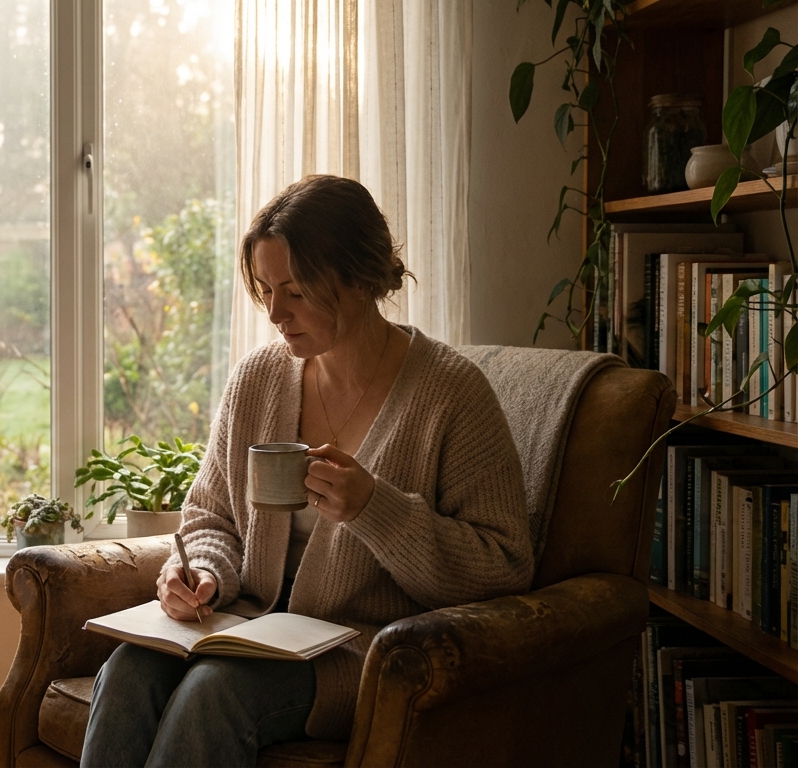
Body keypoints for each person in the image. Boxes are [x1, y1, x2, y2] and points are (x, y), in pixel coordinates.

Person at [79, 175, 535, 767]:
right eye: (266, 290)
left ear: (359, 278)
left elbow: (505, 568)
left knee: (213, 695)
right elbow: (209, 515)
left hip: (359, 649)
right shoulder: (259, 379)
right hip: (245, 624)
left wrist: (377, 508)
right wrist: (204, 575)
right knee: (126, 671)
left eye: (293, 291)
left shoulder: (452, 396)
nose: (273, 311)